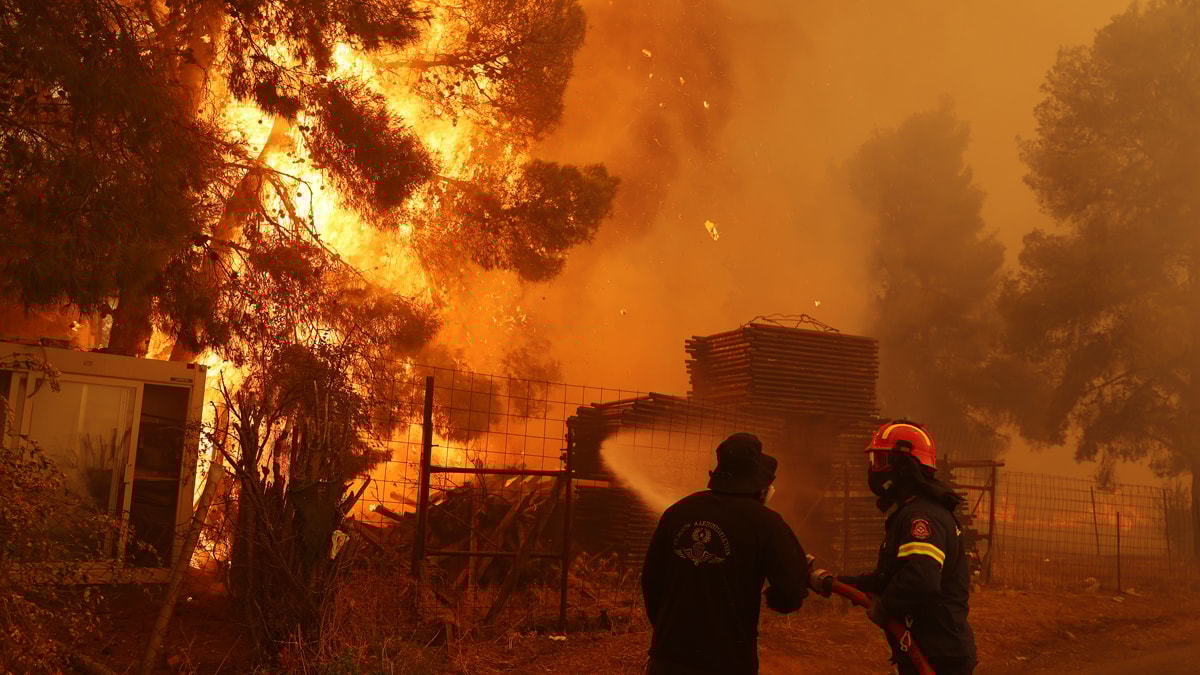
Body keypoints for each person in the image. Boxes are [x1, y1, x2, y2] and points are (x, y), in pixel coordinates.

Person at [640, 432, 809, 675]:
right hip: (728, 662)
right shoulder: (767, 523)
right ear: (761, 486)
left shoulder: (677, 512)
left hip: (668, 658)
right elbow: (791, 592)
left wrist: (668, 631)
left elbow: (651, 581)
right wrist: (773, 598)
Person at [838, 420, 978, 674]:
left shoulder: (921, 517)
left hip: (937, 654)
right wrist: (849, 584)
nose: (875, 471)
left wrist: (885, 606)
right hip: (935, 648)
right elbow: (898, 575)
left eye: (881, 461)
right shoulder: (917, 510)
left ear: (904, 467)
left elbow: (921, 578)